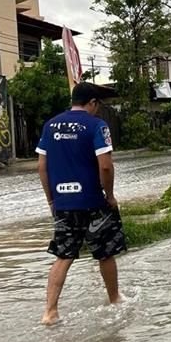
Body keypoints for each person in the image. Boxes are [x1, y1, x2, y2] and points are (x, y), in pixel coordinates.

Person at [36, 82, 125, 325]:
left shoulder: (50, 125)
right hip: (93, 200)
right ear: (92, 102)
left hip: (63, 202)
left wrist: (51, 199)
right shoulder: (97, 125)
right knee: (105, 254)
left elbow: (42, 167)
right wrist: (109, 195)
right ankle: (114, 298)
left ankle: (50, 312)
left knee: (63, 255)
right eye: (98, 104)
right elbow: (105, 166)